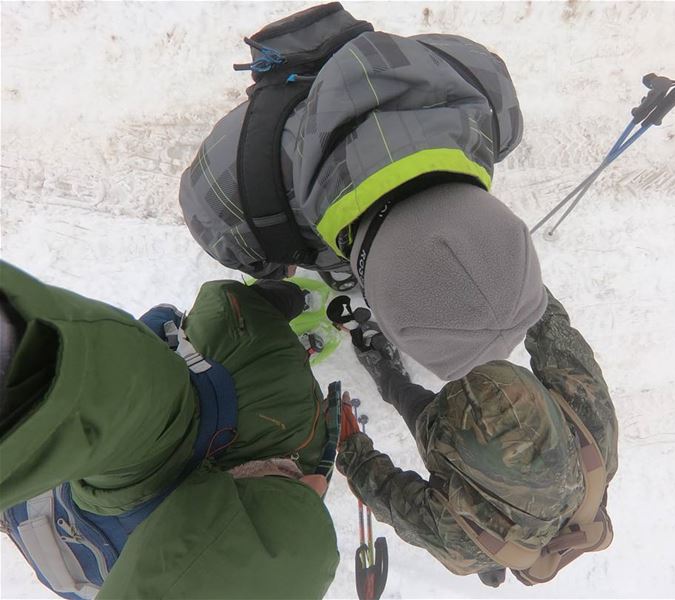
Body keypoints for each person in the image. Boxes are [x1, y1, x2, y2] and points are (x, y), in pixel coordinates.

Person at [178, 2, 547, 381]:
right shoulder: (226, 199)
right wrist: (275, 261)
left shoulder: (487, 93)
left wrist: (275, 258)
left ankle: (350, 261)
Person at [0, 261, 339, 599]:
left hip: (79, 507)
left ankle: (287, 300)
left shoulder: (154, 463)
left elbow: (86, 383)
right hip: (62, 543)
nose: (315, 483)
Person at [336, 289, 619, 587]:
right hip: (449, 438)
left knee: (415, 403)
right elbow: (555, 334)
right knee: (412, 404)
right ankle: (387, 370)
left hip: (449, 430)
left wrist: (351, 446)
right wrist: (352, 448)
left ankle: (389, 368)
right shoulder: (594, 439)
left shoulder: (462, 541)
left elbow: (390, 496)